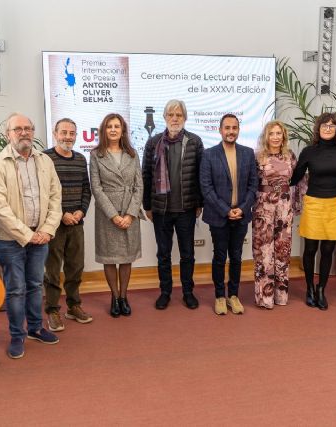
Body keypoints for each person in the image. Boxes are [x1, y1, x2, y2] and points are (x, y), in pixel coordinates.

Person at [0, 113, 62, 359]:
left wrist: (47, 230)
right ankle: (17, 335)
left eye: (28, 128)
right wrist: (27, 235)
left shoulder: (45, 161)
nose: (24, 132)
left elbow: (55, 197)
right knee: (16, 289)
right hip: (11, 240)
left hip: (41, 237)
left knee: (35, 284)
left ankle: (36, 328)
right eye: (18, 129)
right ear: (8, 134)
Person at [142, 99, 204, 310]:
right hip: (161, 210)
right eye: (171, 115)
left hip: (186, 209)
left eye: (179, 115)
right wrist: (147, 206)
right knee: (163, 254)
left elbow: (200, 176)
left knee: (188, 254)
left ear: (185, 118)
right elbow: (146, 175)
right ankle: (165, 292)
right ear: (164, 118)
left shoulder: (194, 142)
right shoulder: (153, 143)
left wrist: (199, 203)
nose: (175, 118)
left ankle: (188, 292)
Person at [290, 112, 336, 310]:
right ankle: (309, 288)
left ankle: (321, 289)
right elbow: (294, 177)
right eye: (324, 125)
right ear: (318, 128)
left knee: (328, 250)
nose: (328, 128)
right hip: (314, 203)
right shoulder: (308, 151)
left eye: (332, 126)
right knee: (310, 249)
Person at [200, 114, 258, 315]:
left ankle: (233, 295)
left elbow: (253, 185)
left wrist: (242, 208)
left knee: (236, 257)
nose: (231, 131)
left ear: (239, 130)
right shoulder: (209, 154)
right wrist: (226, 210)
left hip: (241, 214)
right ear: (220, 130)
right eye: (227, 128)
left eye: (234, 128)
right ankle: (219, 296)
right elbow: (206, 188)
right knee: (219, 257)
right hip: (218, 216)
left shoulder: (248, 153)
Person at [89, 113, 143, 318]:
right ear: (104, 130)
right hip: (107, 214)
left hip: (129, 210)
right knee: (110, 259)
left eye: (117, 126)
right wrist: (113, 215)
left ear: (123, 130)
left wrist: (130, 214)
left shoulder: (132, 154)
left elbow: (139, 186)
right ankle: (114, 296)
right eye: (109, 126)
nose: (113, 129)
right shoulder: (96, 155)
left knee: (126, 258)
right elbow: (96, 187)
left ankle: (124, 296)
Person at [42, 118, 93, 332]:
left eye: (72, 133)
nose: (68, 137)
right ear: (55, 134)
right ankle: (52, 310)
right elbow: (43, 192)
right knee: (53, 269)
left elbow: (86, 189)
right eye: (64, 132)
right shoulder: (45, 158)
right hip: (54, 224)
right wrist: (61, 214)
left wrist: (81, 211)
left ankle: (74, 306)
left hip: (76, 223)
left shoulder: (81, 159)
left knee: (75, 267)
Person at [252, 120, 302, 309]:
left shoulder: (290, 156)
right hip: (263, 207)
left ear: (283, 136)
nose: (275, 137)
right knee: (264, 252)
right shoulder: (257, 157)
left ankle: (280, 296)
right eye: (271, 133)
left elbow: (298, 182)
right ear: (266, 136)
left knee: (282, 251)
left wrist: (296, 206)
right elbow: (250, 183)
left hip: (284, 206)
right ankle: (264, 298)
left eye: (278, 133)